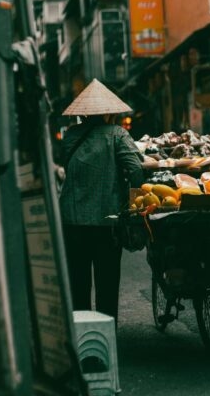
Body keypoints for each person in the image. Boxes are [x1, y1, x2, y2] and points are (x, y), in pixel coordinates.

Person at [59, 78, 144, 323]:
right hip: (107, 224)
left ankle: (84, 344)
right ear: (110, 113)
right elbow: (136, 170)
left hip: (72, 224)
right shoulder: (117, 135)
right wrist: (135, 205)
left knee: (79, 287)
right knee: (107, 287)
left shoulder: (71, 137)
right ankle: (106, 344)